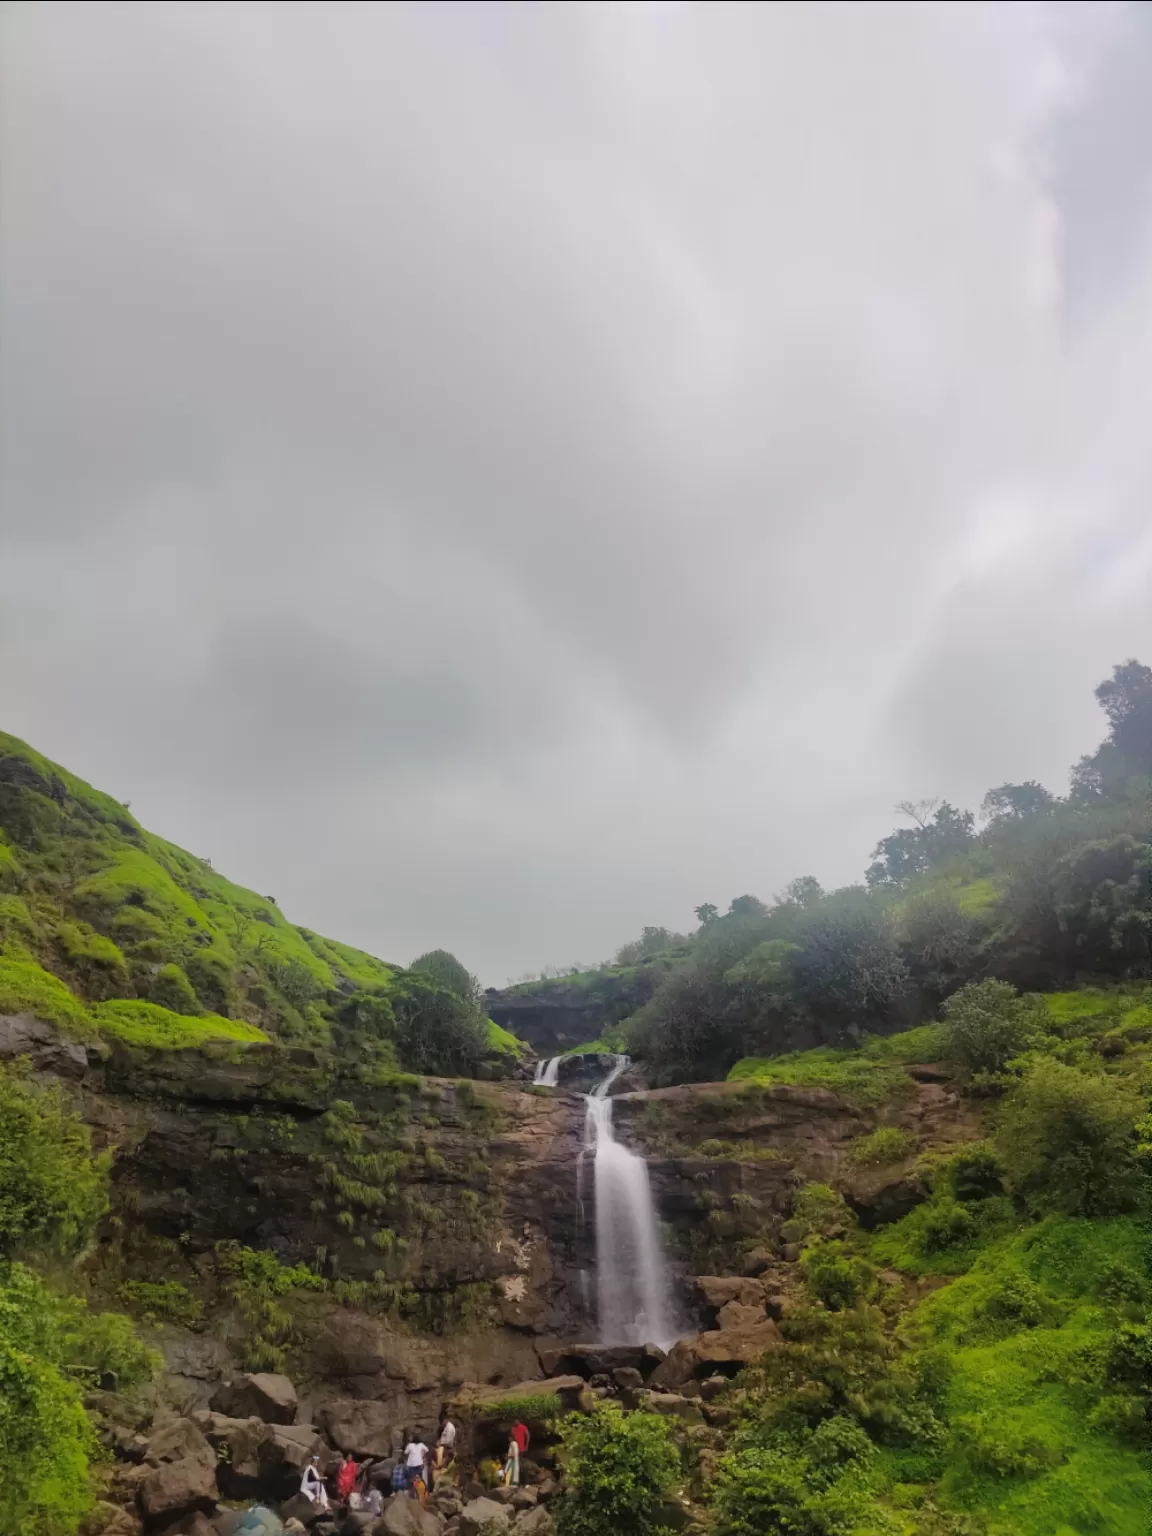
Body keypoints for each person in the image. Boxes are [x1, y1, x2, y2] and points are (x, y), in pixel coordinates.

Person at [504, 1419, 530, 1487]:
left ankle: (526, 1483)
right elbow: (512, 1437)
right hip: (515, 1447)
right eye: (514, 1421)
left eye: (516, 1420)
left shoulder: (523, 1427)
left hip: (521, 1449)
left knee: (522, 1466)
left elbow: (528, 1435)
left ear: (519, 1421)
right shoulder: (513, 1428)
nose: (515, 1422)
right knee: (516, 1467)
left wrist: (526, 1445)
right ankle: (518, 1482)